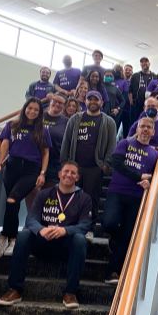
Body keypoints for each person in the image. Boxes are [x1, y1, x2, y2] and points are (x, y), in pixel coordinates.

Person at [0, 161, 92, 309]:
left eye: (73, 173)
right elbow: (31, 218)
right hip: (43, 242)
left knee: (80, 239)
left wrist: (65, 231)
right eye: (66, 171)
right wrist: (41, 229)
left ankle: (71, 293)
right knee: (24, 235)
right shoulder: (44, 194)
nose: (69, 175)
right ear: (59, 174)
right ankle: (14, 289)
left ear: (77, 178)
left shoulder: (84, 198)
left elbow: (85, 225)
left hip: (65, 247)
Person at [0, 98, 52, 260]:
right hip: (12, 167)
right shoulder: (12, 125)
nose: (32, 111)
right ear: (25, 108)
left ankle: (4, 237)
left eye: (36, 110)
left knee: (12, 200)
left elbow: (45, 153)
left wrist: (42, 173)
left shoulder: (42, 130)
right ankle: (10, 240)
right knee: (13, 204)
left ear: (39, 113)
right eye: (29, 108)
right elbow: (4, 144)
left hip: (31, 170)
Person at [101, 118, 158, 284]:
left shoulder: (154, 153)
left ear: (153, 132)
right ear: (137, 128)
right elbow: (117, 164)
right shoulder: (125, 143)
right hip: (117, 191)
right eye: (142, 126)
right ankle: (113, 242)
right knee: (109, 223)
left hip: (137, 196)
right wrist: (139, 176)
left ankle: (112, 272)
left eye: (149, 127)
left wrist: (149, 181)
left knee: (127, 235)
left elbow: (154, 175)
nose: (145, 129)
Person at [60, 91, 117, 237]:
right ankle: (70, 225)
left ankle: (89, 228)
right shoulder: (75, 118)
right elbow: (66, 141)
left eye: (95, 100)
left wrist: (105, 165)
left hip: (94, 167)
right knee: (71, 197)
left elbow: (112, 145)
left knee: (92, 199)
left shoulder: (108, 121)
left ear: (101, 102)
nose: (92, 102)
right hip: (74, 166)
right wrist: (64, 163)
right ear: (85, 101)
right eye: (89, 99)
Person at [116, 64, 133, 139]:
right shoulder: (119, 81)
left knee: (126, 130)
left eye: (129, 70)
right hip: (118, 108)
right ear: (123, 71)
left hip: (128, 110)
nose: (128, 71)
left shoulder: (133, 82)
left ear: (132, 72)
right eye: (126, 69)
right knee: (115, 128)